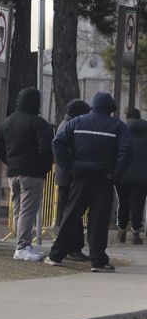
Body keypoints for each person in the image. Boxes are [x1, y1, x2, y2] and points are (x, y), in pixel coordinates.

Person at [45, 92, 133, 272]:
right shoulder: (117, 126)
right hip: (104, 178)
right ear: (110, 109)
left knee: (71, 216)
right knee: (98, 220)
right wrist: (116, 172)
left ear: (92, 106)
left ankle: (56, 255)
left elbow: (58, 142)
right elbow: (127, 150)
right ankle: (98, 261)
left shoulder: (77, 122)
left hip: (80, 176)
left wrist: (68, 165)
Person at [0, 88, 54, 261]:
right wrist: (44, 167)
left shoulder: (7, 122)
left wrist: (11, 162)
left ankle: (21, 244)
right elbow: (46, 149)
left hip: (13, 173)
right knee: (28, 209)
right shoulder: (38, 123)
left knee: (19, 208)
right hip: (32, 173)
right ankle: (23, 246)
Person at [53, 99, 91, 261]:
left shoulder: (66, 124)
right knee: (71, 213)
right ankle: (72, 248)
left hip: (65, 176)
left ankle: (73, 247)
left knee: (71, 213)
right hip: (69, 177)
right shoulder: (70, 126)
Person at [116, 108, 147, 245]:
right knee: (138, 205)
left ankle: (122, 231)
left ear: (127, 117)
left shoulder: (120, 130)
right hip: (142, 176)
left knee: (123, 203)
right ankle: (135, 234)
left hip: (123, 174)